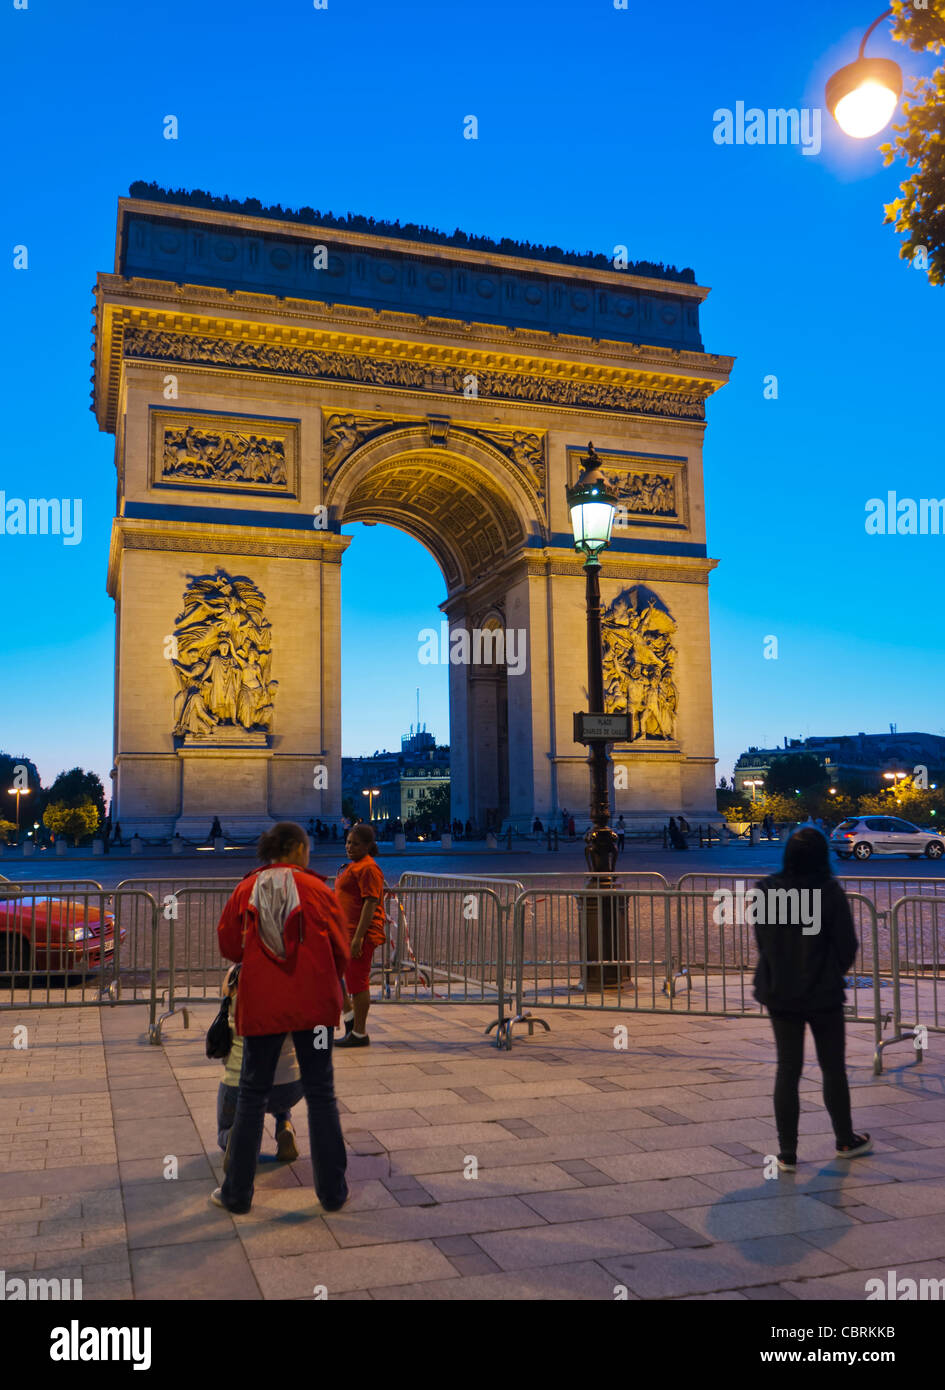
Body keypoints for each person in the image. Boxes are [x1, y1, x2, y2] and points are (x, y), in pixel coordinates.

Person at [212, 821, 350, 1215]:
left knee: (252, 1096)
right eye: (306, 847)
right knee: (322, 1096)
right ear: (294, 848)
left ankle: (237, 1193)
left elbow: (227, 945)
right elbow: (342, 948)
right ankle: (333, 1193)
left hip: (264, 1008)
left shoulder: (245, 889)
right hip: (316, 1010)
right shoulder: (318, 891)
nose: (310, 854)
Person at [753, 828, 871, 1172]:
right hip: (822, 992)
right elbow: (847, 945)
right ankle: (845, 1139)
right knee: (832, 1067)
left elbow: (764, 943)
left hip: (780, 992)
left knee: (788, 1069)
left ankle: (787, 1153)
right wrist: (828, 970)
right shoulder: (829, 891)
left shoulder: (766, 890)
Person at [217, 965, 303, 1168]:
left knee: (226, 1124)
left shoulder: (234, 975)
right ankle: (285, 1125)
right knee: (279, 1065)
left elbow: (223, 1021)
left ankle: (232, 1137)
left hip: (242, 1084)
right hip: (292, 1086)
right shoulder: (297, 976)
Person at [334, 824, 388, 1048]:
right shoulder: (356, 865)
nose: (349, 847)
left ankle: (359, 1032)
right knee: (336, 975)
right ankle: (350, 1020)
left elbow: (371, 902)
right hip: (346, 931)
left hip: (359, 934)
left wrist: (358, 938)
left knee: (357, 983)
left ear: (367, 846)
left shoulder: (368, 868)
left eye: (355, 844)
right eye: (347, 842)